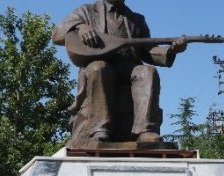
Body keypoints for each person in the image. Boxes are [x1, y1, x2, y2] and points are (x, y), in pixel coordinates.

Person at [53, 0, 188, 145]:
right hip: (102, 66)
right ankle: (100, 129)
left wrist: (171, 50)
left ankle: (145, 131)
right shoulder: (87, 11)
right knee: (98, 68)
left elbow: (148, 50)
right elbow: (57, 34)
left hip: (129, 68)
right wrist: (81, 26)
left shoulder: (136, 19)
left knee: (147, 71)